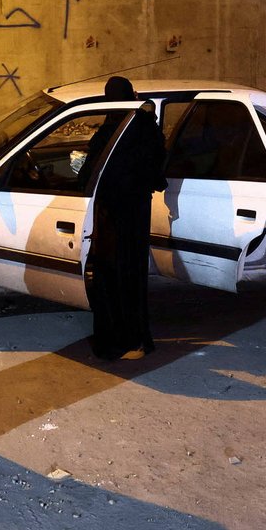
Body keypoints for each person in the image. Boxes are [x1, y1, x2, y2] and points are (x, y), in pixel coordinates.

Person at [84, 76, 167, 361]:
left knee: (110, 279)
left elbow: (90, 173)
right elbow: (157, 172)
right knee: (132, 279)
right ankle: (135, 340)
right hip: (136, 216)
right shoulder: (144, 127)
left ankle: (119, 342)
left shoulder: (109, 132)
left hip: (111, 220)